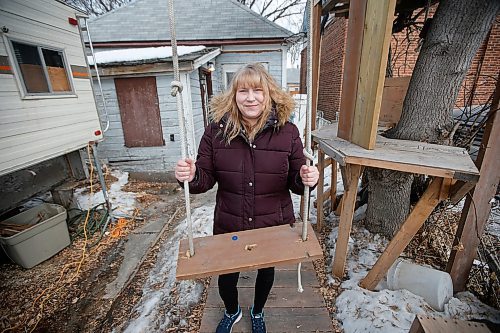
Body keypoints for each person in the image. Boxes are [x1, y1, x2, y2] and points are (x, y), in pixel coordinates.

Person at [174, 63, 319, 333]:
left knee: (266, 272)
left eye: (257, 90)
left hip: (271, 222)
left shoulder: (288, 132)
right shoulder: (215, 132)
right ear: (234, 95)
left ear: (269, 94)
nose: (250, 98)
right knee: (226, 277)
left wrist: (307, 178)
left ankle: (258, 310)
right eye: (243, 90)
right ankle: (232, 311)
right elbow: (203, 180)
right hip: (231, 221)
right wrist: (191, 175)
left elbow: (297, 183)